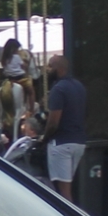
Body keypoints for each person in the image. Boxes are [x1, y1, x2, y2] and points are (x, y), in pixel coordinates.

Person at [42, 54, 87, 201]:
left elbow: (54, 121)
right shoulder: (79, 87)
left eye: (50, 66)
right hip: (79, 142)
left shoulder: (58, 89)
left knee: (63, 193)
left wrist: (44, 137)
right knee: (68, 185)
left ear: (58, 68)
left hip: (61, 143)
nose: (47, 70)